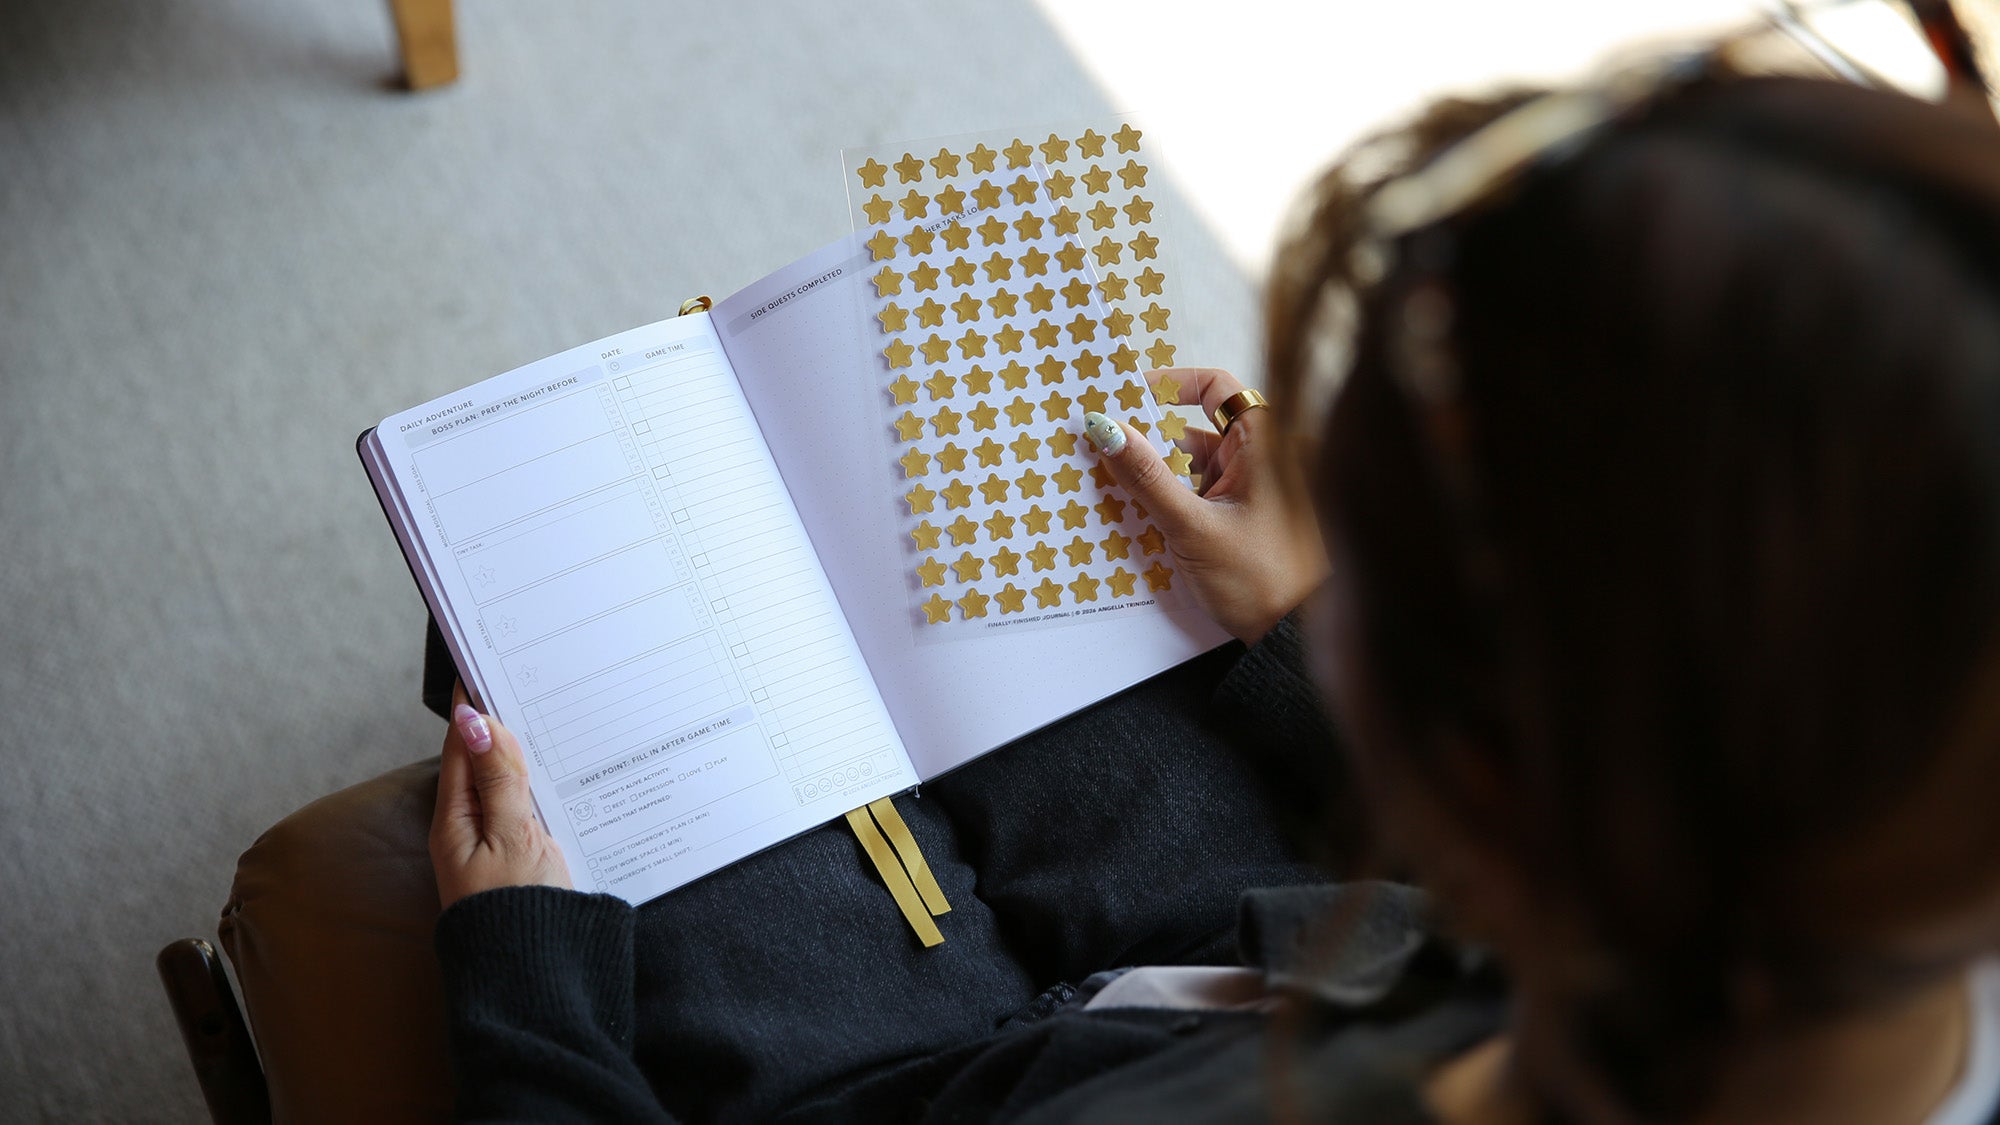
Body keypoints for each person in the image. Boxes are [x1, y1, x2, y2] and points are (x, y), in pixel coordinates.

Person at [422, 48, 2000, 1125]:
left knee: (539, 639)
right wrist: (1302, 618)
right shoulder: (1863, 880)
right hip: (1278, 943)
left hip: (931, 1076)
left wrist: (526, 995)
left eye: (1382, 545)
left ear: (1497, 772)